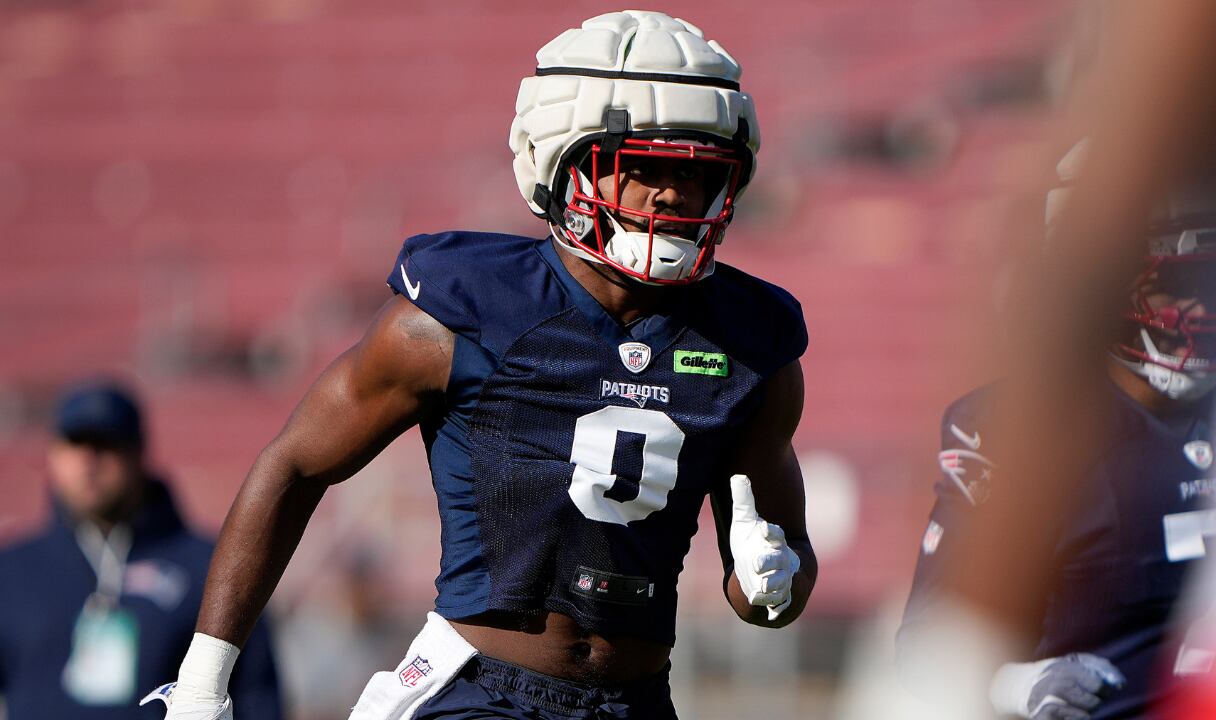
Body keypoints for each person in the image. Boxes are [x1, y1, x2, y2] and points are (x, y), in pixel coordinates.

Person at [145, 10, 816, 720]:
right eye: (644, 168)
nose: (672, 196)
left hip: (637, 701)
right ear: (564, 161)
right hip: (478, 690)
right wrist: (202, 680)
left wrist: (771, 583)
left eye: (698, 175)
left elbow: (769, 595)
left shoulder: (750, 347)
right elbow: (295, 466)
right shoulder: (461, 314)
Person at [897, 144, 1216, 719]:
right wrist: (1017, 684)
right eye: (1176, 281)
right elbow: (925, 643)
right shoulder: (1027, 433)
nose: (1203, 308)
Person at [0, 380, 282, 719]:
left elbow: (257, 695)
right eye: (76, 443)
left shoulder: (212, 568)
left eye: (106, 443)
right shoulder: (11, 572)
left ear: (138, 452)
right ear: (54, 454)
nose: (89, 460)